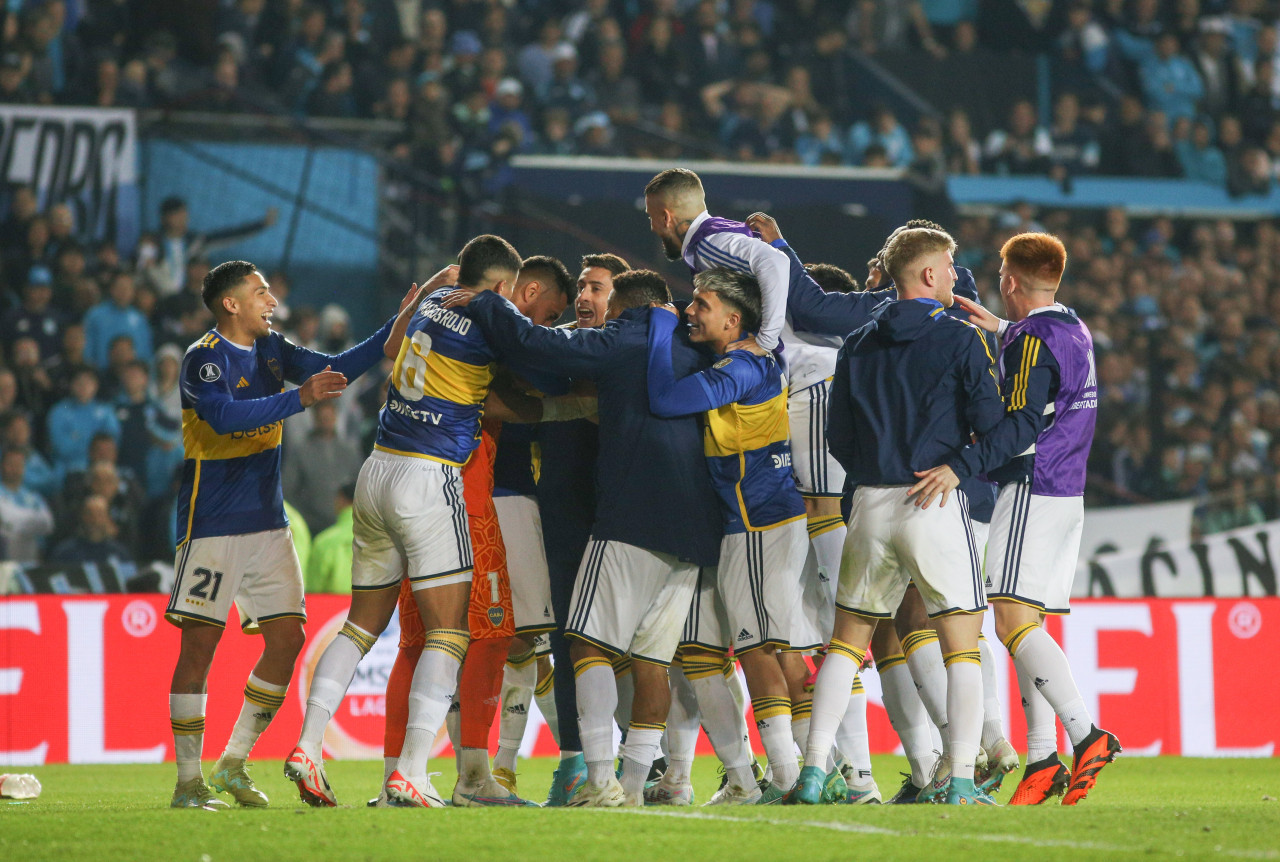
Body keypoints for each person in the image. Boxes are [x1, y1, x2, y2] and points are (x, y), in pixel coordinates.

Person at [443, 269, 723, 808]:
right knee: (652, 659)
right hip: (696, 527)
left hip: (630, 518)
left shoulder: (622, 339)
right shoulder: (699, 347)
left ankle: (598, 781)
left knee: (586, 645)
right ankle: (644, 786)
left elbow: (535, 342)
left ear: (621, 309)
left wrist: (487, 302)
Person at [165, 259, 410, 811]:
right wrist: (299, 400)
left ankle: (233, 763)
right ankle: (187, 782)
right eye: (259, 292)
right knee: (200, 646)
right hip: (213, 525)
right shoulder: (203, 359)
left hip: (269, 524)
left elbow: (338, 366)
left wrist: (393, 329)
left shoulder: (274, 348)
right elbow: (224, 417)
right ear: (231, 304)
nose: (271, 299)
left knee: (288, 639)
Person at [286, 238, 521, 810]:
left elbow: (392, 345)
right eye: (507, 293)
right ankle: (411, 772)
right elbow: (518, 376)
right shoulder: (488, 316)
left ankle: (308, 746)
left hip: (376, 469)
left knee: (360, 627)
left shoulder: (431, 301)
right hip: (429, 476)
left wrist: (440, 282)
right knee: (448, 631)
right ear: (497, 287)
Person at [786, 226, 1002, 807]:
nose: (957, 278)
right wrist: (959, 465)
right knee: (960, 645)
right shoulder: (960, 339)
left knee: (846, 643)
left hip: (869, 506)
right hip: (931, 501)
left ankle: (811, 775)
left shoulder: (856, 342)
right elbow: (993, 422)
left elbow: (838, 437)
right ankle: (958, 778)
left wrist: (872, 475)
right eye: (951, 268)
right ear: (928, 274)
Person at [911, 232, 1121, 806]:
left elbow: (1023, 421)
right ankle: (1040, 758)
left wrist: (964, 464)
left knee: (1007, 621)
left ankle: (1086, 734)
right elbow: (1048, 365)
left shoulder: (1031, 340)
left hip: (1032, 486)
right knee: (1028, 624)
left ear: (1009, 281)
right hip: (1066, 493)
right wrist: (1001, 330)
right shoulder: (1072, 328)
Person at [644, 268, 808, 805]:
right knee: (775, 645)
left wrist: (655, 331)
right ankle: (812, 771)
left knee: (761, 646)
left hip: (757, 519)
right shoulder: (754, 357)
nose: (691, 310)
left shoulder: (741, 365)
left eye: (702, 304)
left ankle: (788, 775)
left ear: (734, 320)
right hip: (756, 519)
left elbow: (667, 400)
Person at [533, 251, 628, 805]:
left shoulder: (638, 347)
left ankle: (658, 759)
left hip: (629, 511)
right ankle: (574, 761)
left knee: (648, 645)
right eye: (582, 288)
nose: (585, 297)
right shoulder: (559, 345)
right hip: (564, 511)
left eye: (597, 288)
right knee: (571, 637)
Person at [0, 448, 53, 564]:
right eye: (10, 464)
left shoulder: (34, 497)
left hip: (32, 556)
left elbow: (48, 524)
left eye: (18, 465)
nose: (15, 469)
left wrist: (15, 522)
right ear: (2, 466)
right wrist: (32, 520)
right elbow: (6, 520)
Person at [304, 483, 356, 594]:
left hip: (333, 609)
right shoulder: (383, 540)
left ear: (341, 499)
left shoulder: (326, 542)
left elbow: (313, 592)